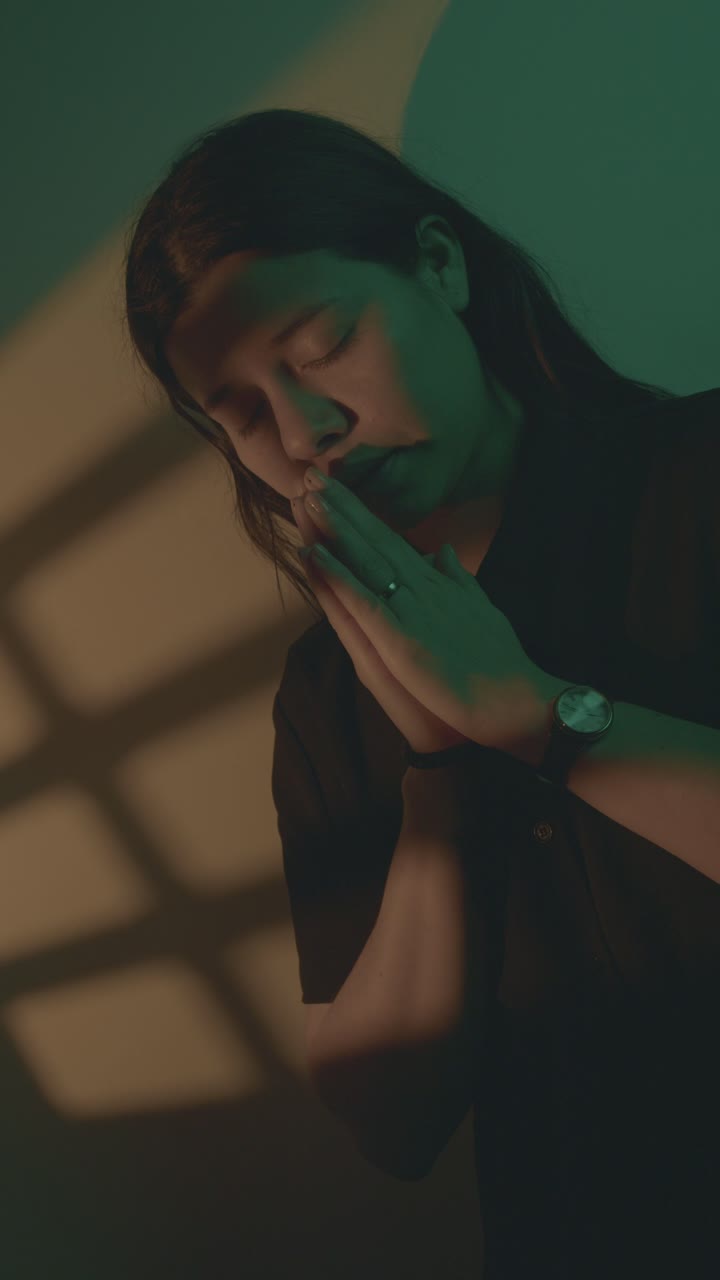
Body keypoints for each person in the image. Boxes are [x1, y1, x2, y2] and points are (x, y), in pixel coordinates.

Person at [123, 108, 720, 1279]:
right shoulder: (327, 686)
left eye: (321, 344)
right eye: (241, 412)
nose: (306, 432)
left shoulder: (695, 479)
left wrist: (539, 719)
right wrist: (439, 778)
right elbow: (390, 1121)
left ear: (439, 267)